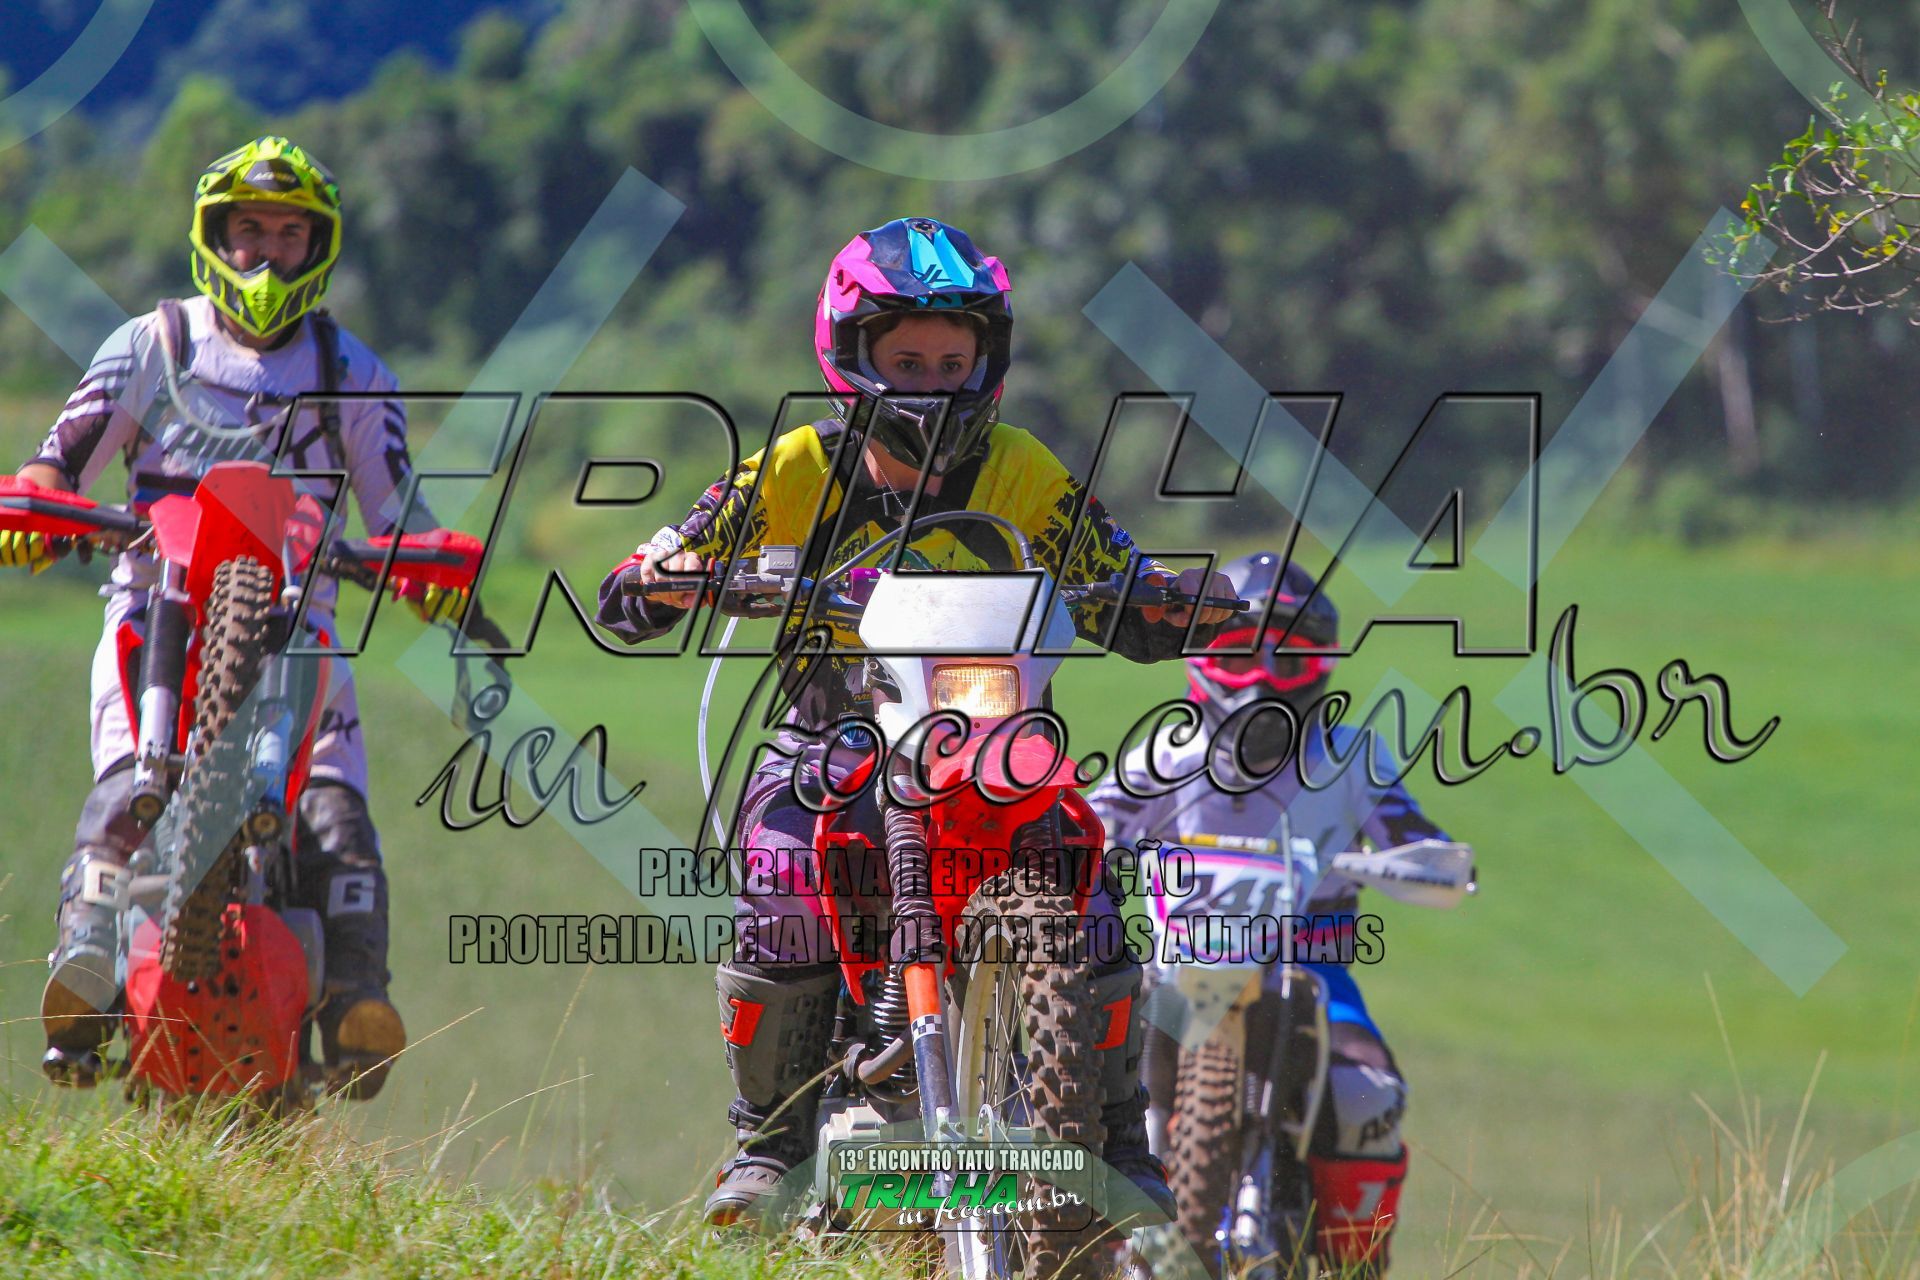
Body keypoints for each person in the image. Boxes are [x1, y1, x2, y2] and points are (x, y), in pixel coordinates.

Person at [595, 216, 1236, 1226]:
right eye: (908, 363)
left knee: (1087, 882)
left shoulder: (1023, 470)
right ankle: (770, 1144)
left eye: (952, 362)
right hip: (831, 740)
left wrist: (1167, 599)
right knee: (782, 876)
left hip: (991, 740)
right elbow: (645, 575)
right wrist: (664, 573)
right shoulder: (794, 468)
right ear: (851, 358)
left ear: (989, 362)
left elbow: (1113, 567)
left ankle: (1118, 1140)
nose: (933, 384)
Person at [6, 136, 465, 1096]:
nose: (265, 253)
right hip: (153, 613)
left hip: (302, 625)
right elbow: (58, 460)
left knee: (336, 811)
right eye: (248, 229)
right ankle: (84, 966)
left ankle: (357, 997)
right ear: (214, 237)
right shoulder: (151, 345)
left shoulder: (353, 371)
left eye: (289, 234)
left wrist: (432, 565)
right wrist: (34, 509)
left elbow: (400, 513)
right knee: (123, 788)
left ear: (317, 249)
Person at [1089, 553, 1466, 1276]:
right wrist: (1083, 852)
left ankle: (1356, 1262)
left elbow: (1414, 836)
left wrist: (1432, 862)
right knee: (1083, 1069)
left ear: (1320, 666)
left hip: (1313, 974)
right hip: (1177, 967)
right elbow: (1093, 821)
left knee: (1366, 1093)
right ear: (1204, 657)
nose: (1262, 678)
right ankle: (1066, 1238)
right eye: (1238, 653)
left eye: (1288, 659)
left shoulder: (1351, 755)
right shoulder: (1171, 751)